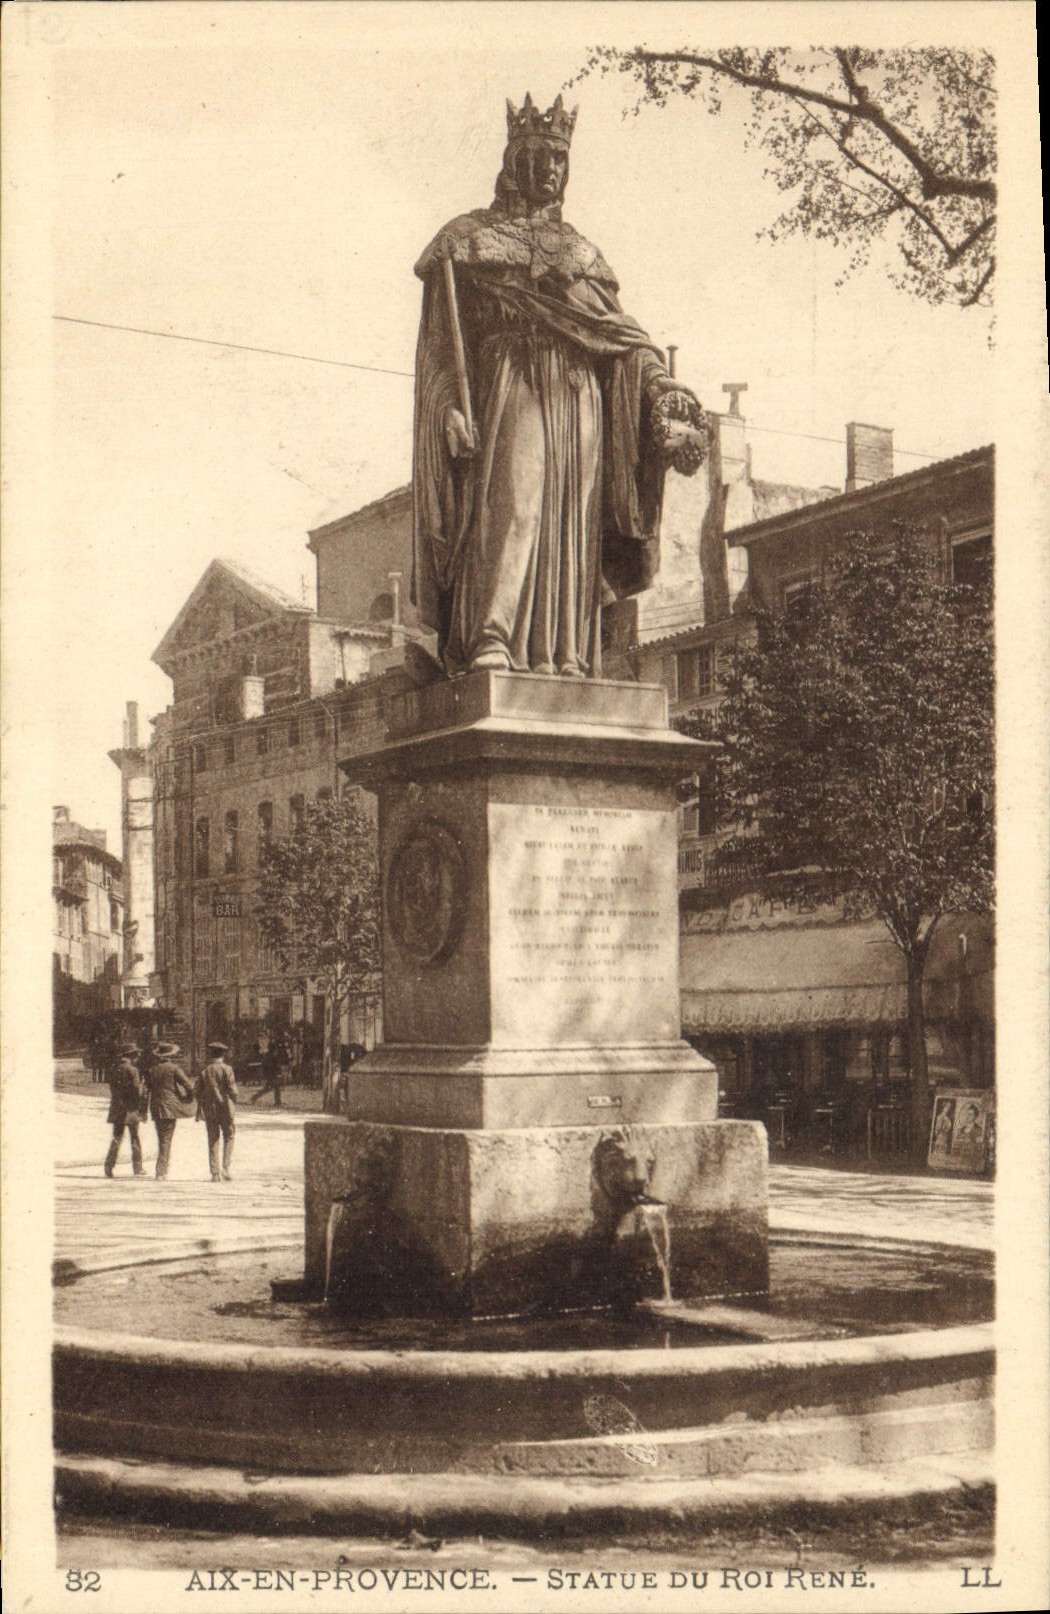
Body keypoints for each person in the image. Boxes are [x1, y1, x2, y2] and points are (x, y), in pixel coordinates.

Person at [412, 93, 705, 680]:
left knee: (572, 520)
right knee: (515, 507)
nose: (549, 168)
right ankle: (492, 636)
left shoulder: (582, 254)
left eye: (558, 159)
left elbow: (620, 339)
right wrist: (447, 409)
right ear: (511, 161)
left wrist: (664, 393)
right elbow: (442, 353)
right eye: (537, 155)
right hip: (511, 382)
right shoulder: (466, 243)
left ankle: (563, 653)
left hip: (581, 400)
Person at [143, 1041, 194, 1180]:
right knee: (166, 1139)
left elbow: (146, 1090)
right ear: (171, 1054)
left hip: (155, 1106)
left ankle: (162, 1169)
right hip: (170, 1107)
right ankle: (161, 1171)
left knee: (161, 1138)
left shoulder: (152, 1069)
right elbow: (189, 1085)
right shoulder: (174, 1068)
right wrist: (187, 1098)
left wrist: (143, 1109)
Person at [195, 1040, 239, 1182]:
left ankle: (215, 1173)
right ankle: (226, 1168)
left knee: (213, 1138)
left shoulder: (204, 1071)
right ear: (223, 1055)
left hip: (210, 1109)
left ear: (210, 1054)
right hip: (226, 1108)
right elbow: (233, 1091)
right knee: (229, 1136)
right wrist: (233, 1100)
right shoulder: (227, 1069)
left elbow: (196, 1091)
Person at [103, 1043, 148, 1178]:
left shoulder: (114, 1069)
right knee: (135, 1138)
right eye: (136, 1054)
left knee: (116, 1137)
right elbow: (136, 1090)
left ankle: (109, 1166)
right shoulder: (133, 1070)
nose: (137, 1057)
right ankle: (138, 1167)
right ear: (131, 1055)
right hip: (131, 1109)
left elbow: (112, 1088)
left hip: (117, 1108)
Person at [252, 1029, 290, 1108]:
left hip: (271, 1072)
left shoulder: (269, 1056)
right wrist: (276, 1072)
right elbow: (271, 1065)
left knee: (274, 1087)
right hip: (271, 1073)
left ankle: (277, 1102)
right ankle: (254, 1098)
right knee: (270, 1087)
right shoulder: (270, 1056)